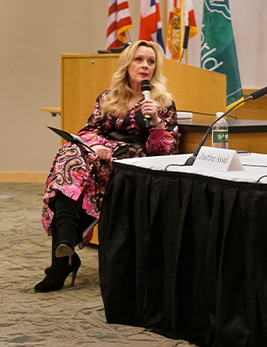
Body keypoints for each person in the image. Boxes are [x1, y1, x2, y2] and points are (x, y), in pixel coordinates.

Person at [36, 40, 179, 292]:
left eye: (151, 61)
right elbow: (88, 131)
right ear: (127, 64)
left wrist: (156, 121)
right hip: (100, 155)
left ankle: (64, 255)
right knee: (70, 152)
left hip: (134, 159)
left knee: (77, 165)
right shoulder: (108, 97)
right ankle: (66, 243)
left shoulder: (162, 102)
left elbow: (167, 150)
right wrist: (96, 147)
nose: (145, 65)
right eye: (139, 59)